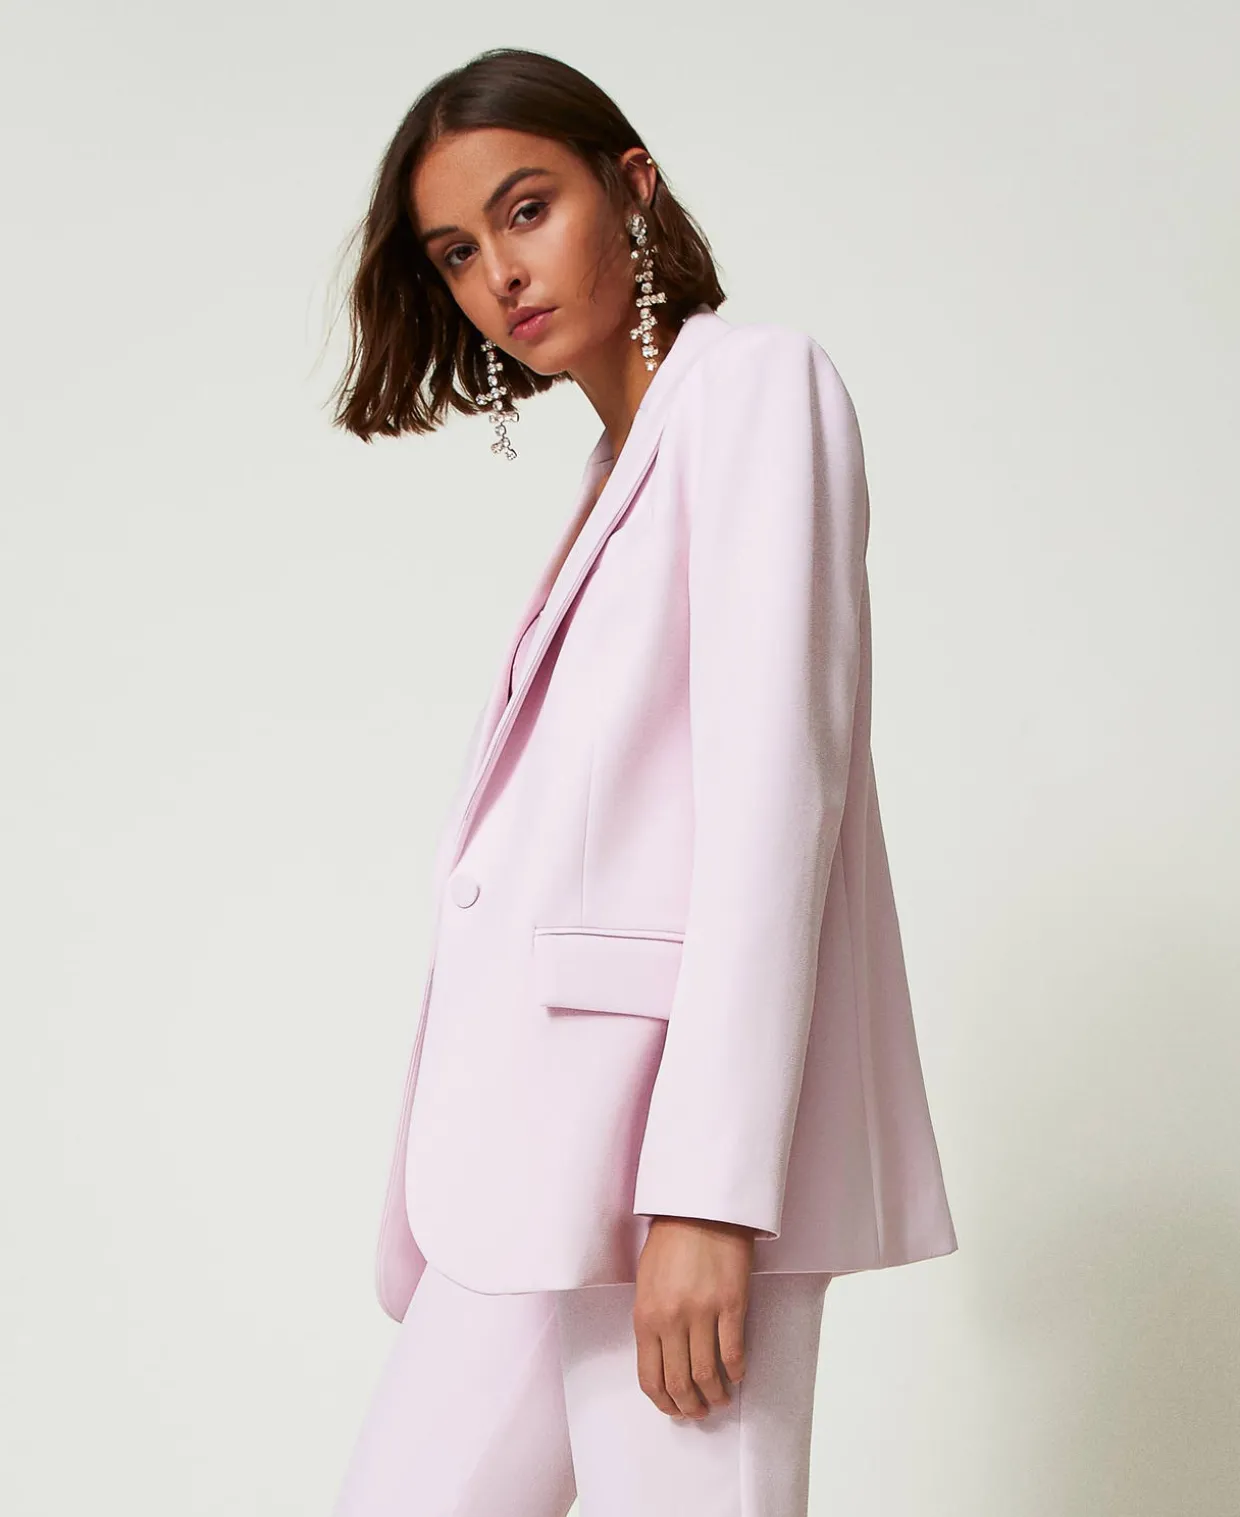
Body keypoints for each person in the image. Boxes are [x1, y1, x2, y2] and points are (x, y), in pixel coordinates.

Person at [327, 45, 957, 1517]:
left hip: (675, 1160)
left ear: (632, 189)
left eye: (527, 209)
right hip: (536, 1162)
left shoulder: (755, 388)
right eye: (458, 252)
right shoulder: (622, 460)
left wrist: (710, 1197)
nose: (500, 273)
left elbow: (773, 800)